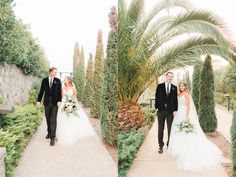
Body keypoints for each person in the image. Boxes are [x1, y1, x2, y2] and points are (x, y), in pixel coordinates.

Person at [168, 81, 223, 171]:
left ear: (186, 87)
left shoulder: (187, 95)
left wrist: (186, 118)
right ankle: (180, 149)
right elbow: (174, 102)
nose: (181, 87)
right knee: (178, 131)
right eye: (180, 85)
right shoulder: (179, 94)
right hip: (178, 114)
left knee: (187, 133)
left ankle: (187, 149)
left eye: (183, 85)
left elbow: (188, 106)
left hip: (185, 114)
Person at [56, 76, 95, 146]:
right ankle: (64, 133)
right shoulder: (63, 88)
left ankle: (72, 133)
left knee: (72, 119)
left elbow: (75, 97)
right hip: (64, 105)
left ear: (69, 80)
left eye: (65, 79)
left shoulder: (73, 88)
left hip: (72, 104)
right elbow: (62, 97)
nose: (64, 80)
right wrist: (63, 104)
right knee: (63, 120)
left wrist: (72, 106)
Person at [37, 67, 62, 146]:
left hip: (55, 104)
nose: (55, 73)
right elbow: (41, 91)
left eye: (56, 72)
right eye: (54, 72)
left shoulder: (57, 81)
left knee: (53, 120)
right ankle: (49, 132)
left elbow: (59, 92)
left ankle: (52, 138)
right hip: (47, 103)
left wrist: (59, 101)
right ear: (50, 72)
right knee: (48, 119)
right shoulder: (44, 80)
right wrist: (38, 100)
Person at [155, 72, 178, 153]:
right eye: (169, 76)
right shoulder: (160, 86)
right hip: (161, 111)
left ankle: (169, 144)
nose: (170, 78)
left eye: (172, 77)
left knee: (170, 129)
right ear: (166, 76)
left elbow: (175, 100)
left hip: (170, 112)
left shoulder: (174, 88)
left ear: (172, 78)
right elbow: (156, 97)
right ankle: (160, 146)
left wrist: (175, 110)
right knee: (160, 129)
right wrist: (156, 108)